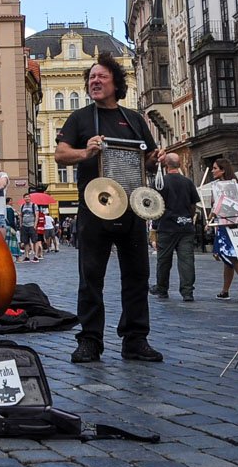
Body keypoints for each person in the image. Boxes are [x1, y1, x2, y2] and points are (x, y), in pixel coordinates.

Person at [55, 51, 164, 364]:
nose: (94, 82)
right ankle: (90, 341)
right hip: (95, 209)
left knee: (137, 277)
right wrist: (86, 152)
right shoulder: (80, 118)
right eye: (91, 78)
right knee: (90, 278)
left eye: (101, 77)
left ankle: (135, 339)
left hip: (131, 207)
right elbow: (61, 155)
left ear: (116, 83)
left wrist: (154, 159)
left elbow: (146, 157)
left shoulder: (133, 120)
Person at [149, 154, 200, 302]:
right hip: (185, 226)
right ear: (179, 165)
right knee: (187, 260)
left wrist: (155, 226)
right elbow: (193, 205)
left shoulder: (160, 183)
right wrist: (188, 218)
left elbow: (154, 206)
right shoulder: (188, 182)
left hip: (167, 226)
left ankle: (162, 289)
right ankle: (187, 292)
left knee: (164, 260)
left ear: (166, 165)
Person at [208, 158, 238, 302]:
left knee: (234, 257)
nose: (212, 170)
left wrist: (209, 218)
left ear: (222, 170)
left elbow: (218, 207)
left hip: (227, 225)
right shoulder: (236, 185)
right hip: (237, 225)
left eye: (215, 168)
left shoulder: (221, 187)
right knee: (228, 259)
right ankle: (225, 291)